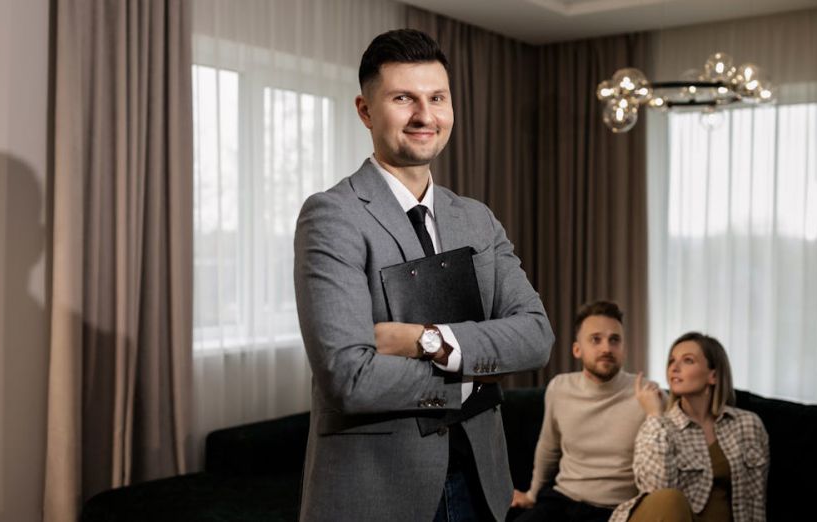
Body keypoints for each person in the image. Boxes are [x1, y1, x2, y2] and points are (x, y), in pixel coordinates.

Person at [293, 29, 554, 522]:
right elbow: (348, 378)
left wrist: (426, 340)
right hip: (379, 492)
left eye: (437, 98)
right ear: (366, 110)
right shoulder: (332, 216)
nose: (425, 116)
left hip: (482, 485)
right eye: (403, 98)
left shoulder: (477, 219)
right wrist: (472, 380)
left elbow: (537, 336)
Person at [610, 332, 769, 522]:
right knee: (670, 499)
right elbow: (657, 495)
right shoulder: (659, 428)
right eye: (671, 361)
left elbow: (756, 500)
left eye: (688, 360)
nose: (674, 368)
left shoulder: (748, 425)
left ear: (713, 376)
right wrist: (654, 415)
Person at [510, 301, 647, 522]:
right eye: (596, 339)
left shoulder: (646, 393)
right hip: (563, 500)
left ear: (624, 349)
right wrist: (532, 495)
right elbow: (548, 448)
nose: (606, 348)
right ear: (577, 349)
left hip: (619, 510)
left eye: (615, 340)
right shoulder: (559, 388)